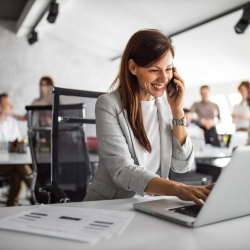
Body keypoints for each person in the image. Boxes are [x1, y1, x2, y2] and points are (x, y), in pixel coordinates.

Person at [84, 29, 214, 206]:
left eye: (168, 69)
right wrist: (178, 189)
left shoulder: (167, 106)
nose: (163, 78)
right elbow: (122, 171)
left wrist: (177, 111)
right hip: (112, 205)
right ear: (132, 67)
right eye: (154, 70)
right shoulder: (108, 104)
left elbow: (183, 165)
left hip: (155, 204)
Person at [0, 93, 32, 206]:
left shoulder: (12, 122)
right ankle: (38, 192)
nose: (11, 107)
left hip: (11, 163)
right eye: (8, 104)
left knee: (16, 175)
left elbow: (18, 143)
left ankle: (11, 206)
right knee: (21, 166)